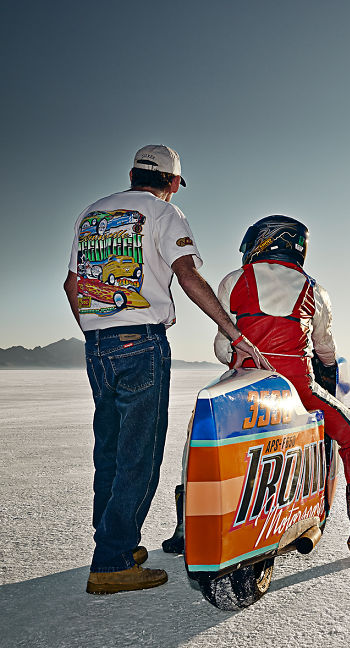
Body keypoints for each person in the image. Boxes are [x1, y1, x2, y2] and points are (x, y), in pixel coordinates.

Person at [62, 145, 272, 595]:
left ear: (133, 173)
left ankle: (115, 544)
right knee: (139, 455)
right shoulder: (164, 212)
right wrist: (234, 333)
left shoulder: (92, 213)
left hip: (98, 344)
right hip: (141, 342)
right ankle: (113, 561)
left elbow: (72, 283)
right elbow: (188, 276)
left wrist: (96, 327)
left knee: (111, 452)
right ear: (173, 182)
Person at [210, 215, 350, 556]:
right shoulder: (314, 288)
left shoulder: (234, 280)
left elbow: (223, 347)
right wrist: (327, 368)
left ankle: (185, 525)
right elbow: (324, 346)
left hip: (242, 388)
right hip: (296, 391)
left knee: (200, 434)